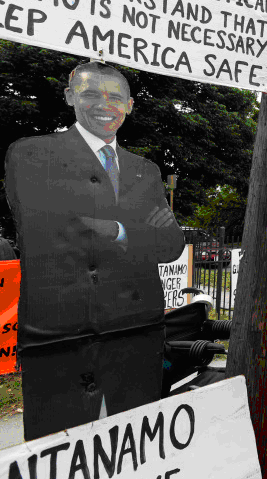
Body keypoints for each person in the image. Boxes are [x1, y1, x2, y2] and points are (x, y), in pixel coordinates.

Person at [5, 61, 184, 440]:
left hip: (137, 333)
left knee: (135, 445)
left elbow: (170, 245)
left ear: (130, 105)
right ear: (70, 97)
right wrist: (136, 229)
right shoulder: (32, 154)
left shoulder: (145, 170)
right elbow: (54, 229)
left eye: (115, 97)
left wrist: (115, 228)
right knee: (61, 448)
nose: (105, 105)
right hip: (59, 337)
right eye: (90, 94)